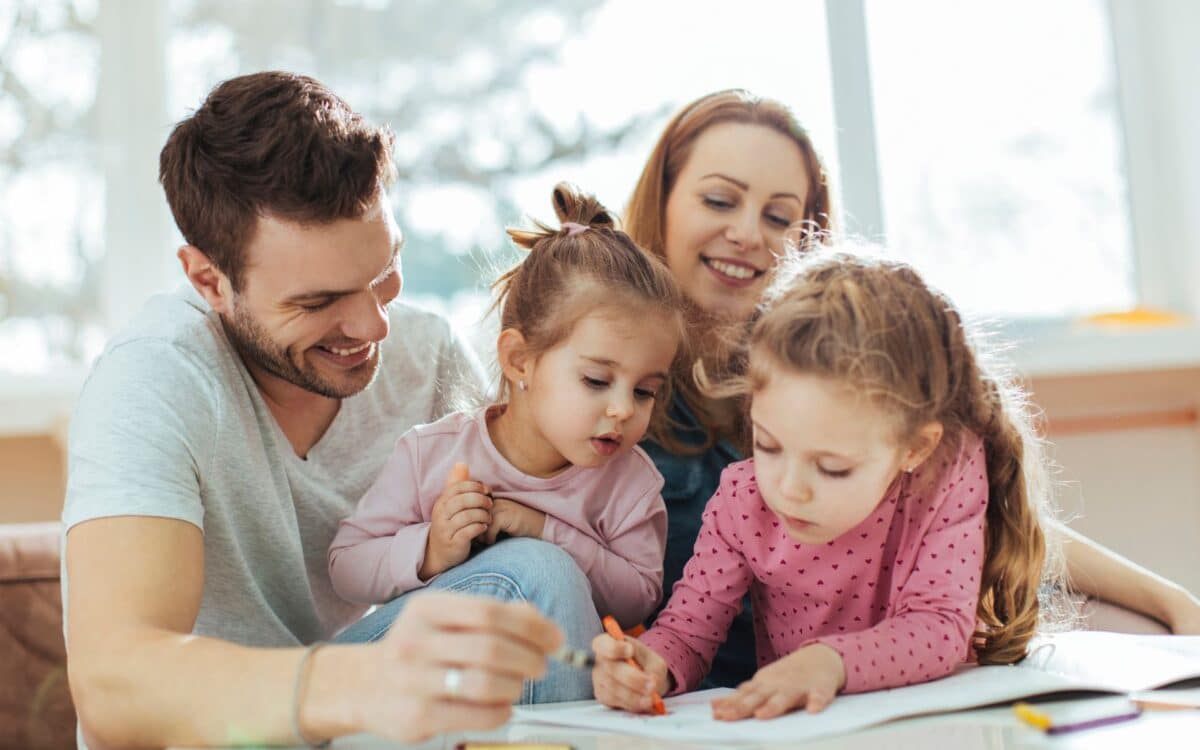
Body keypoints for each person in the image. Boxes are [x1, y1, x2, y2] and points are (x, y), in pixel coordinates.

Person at [623, 90, 1200, 689]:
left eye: (777, 216)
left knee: (1148, 637)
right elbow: (683, 626)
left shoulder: (873, 382)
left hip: (895, 669)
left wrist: (1171, 599)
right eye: (719, 199)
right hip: (747, 688)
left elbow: (992, 523)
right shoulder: (615, 394)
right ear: (661, 201)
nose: (745, 233)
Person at [61, 71, 570, 749]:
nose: (372, 325)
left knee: (540, 574)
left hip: (364, 726)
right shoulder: (153, 377)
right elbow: (113, 688)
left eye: (384, 272)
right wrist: (362, 682)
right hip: (219, 733)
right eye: (318, 301)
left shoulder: (427, 356)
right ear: (208, 280)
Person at [592, 249, 1057, 718]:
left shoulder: (944, 475)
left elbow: (940, 625)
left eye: (832, 467)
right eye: (768, 446)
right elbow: (688, 633)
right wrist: (650, 665)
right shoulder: (742, 498)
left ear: (915, 448)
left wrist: (828, 662)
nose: (789, 489)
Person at [327, 184, 684, 701]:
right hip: (409, 679)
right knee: (534, 573)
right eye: (596, 381)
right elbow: (346, 567)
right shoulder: (434, 452)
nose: (623, 409)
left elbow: (638, 601)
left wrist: (543, 530)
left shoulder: (630, 481)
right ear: (519, 361)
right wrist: (432, 549)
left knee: (546, 571)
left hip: (521, 694)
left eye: (646, 390)